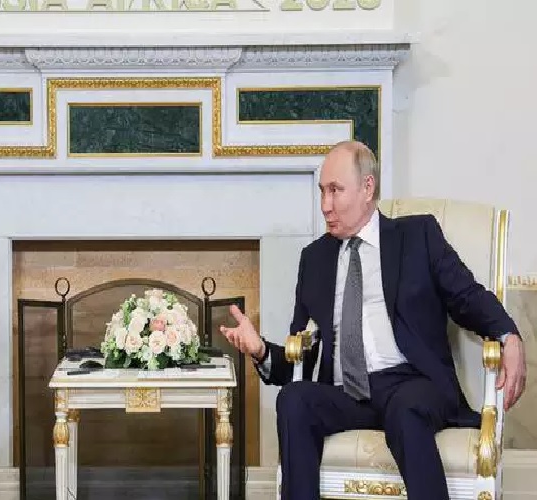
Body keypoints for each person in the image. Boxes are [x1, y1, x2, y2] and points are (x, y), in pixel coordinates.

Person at [219, 140, 527, 500]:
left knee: (405, 410)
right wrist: (260, 350)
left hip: (411, 382)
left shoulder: (417, 236)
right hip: (347, 392)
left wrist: (508, 335)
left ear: (368, 188)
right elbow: (300, 359)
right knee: (294, 399)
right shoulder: (314, 259)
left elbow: (467, 296)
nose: (325, 205)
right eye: (322, 191)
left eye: (335, 190)